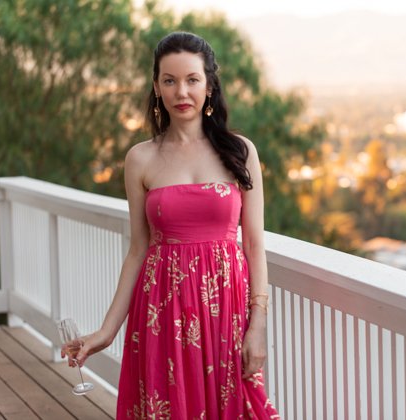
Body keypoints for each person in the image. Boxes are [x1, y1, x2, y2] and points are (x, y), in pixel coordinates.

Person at [60, 31, 280, 419]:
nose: (182, 91)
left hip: (225, 311)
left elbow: (255, 246)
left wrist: (257, 323)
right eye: (170, 80)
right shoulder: (140, 159)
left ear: (210, 85)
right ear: (157, 87)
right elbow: (137, 250)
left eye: (193, 79)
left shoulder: (240, 151)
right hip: (162, 311)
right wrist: (106, 332)